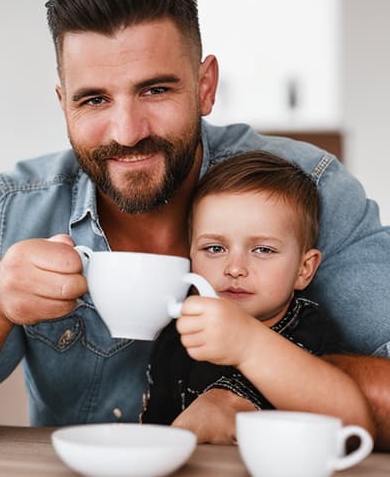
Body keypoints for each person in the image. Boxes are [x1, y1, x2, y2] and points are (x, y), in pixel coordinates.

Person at [0, 0, 389, 450]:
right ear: (63, 105)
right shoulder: (12, 212)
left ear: (205, 86)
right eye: (94, 100)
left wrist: (256, 383)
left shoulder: (308, 188)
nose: (127, 132)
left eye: (156, 89)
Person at [142, 151, 374, 442]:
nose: (235, 268)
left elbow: (352, 426)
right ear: (190, 257)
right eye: (214, 248)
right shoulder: (176, 336)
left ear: (304, 269)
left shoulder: (308, 328)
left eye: (263, 250)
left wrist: (247, 343)